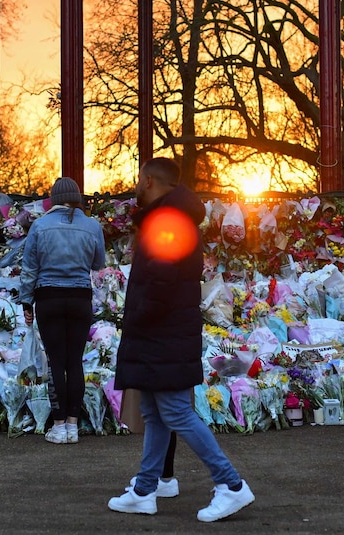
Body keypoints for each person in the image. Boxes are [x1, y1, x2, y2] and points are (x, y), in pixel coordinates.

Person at [108, 157, 254, 521]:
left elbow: (161, 280)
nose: (137, 186)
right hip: (165, 332)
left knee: (174, 411)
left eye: (140, 179)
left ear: (150, 181)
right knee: (155, 412)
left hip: (162, 332)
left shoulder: (167, 222)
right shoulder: (173, 218)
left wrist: (139, 318)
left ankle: (231, 484)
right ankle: (145, 489)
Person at [20, 177, 105, 444]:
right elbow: (98, 263)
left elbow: (29, 268)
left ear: (54, 199)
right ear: (78, 198)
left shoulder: (39, 226)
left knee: (56, 361)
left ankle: (57, 426)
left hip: (49, 297)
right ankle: (72, 425)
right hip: (80, 297)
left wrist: (26, 301)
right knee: (75, 361)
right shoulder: (92, 226)